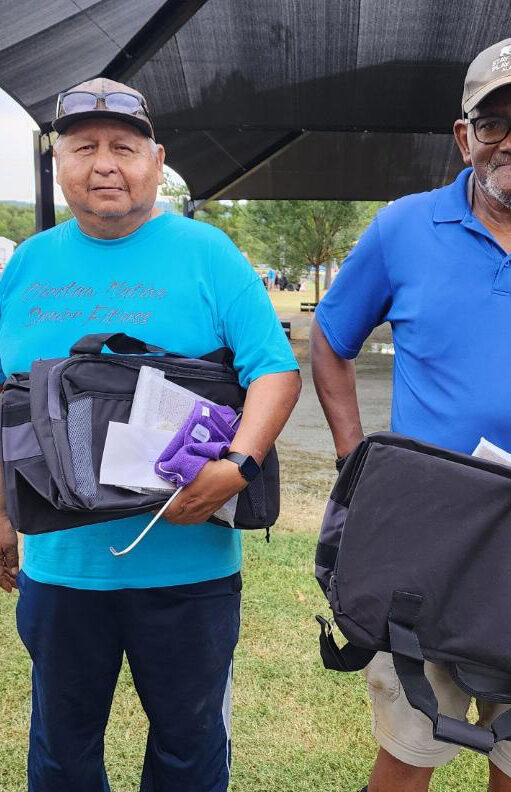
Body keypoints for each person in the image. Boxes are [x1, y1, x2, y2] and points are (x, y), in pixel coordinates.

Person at [0, 77, 301, 792]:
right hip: (62, 572)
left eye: (124, 148)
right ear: (57, 162)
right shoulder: (27, 264)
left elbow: (275, 370)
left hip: (188, 573)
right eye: (84, 148)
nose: (105, 164)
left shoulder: (209, 253)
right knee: (61, 753)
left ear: (157, 161)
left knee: (188, 750)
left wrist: (238, 465)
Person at [311, 37, 511, 792]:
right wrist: (354, 460)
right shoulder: (402, 229)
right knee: (406, 750)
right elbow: (330, 341)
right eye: (492, 123)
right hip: (426, 534)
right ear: (464, 138)